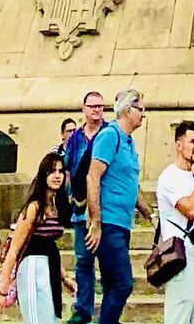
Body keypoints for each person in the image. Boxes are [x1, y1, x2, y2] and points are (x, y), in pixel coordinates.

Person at [85, 86, 145, 324]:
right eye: (140, 110)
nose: (143, 115)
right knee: (123, 283)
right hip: (109, 223)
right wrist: (96, 222)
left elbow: (132, 184)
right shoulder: (110, 136)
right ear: (128, 110)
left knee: (113, 284)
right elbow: (93, 177)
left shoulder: (129, 142)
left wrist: (149, 213)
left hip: (122, 223)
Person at [0, 153, 70, 324]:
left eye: (60, 171)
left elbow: (50, 246)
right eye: (52, 172)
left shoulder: (57, 206)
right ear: (44, 175)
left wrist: (65, 278)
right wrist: (2, 290)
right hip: (32, 267)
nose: (57, 176)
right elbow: (14, 249)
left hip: (50, 267)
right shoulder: (34, 208)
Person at [156, 121, 194, 324]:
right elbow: (190, 210)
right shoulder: (169, 178)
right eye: (192, 141)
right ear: (179, 144)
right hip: (181, 258)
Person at [63, 94, 107, 324]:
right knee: (83, 260)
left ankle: (109, 310)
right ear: (84, 109)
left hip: (104, 207)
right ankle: (83, 308)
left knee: (109, 262)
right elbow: (68, 168)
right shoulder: (75, 138)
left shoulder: (110, 133)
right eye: (92, 106)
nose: (96, 110)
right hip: (80, 208)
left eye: (100, 106)